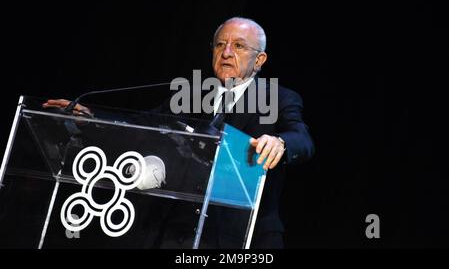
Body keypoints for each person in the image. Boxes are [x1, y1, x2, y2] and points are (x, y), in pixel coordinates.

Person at [43, 17, 314, 248]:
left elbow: (302, 138)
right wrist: (92, 119)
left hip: (245, 235)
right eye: (220, 45)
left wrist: (280, 142)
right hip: (177, 232)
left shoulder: (278, 99)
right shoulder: (190, 96)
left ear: (260, 59)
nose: (226, 52)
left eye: (239, 46)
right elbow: (141, 126)